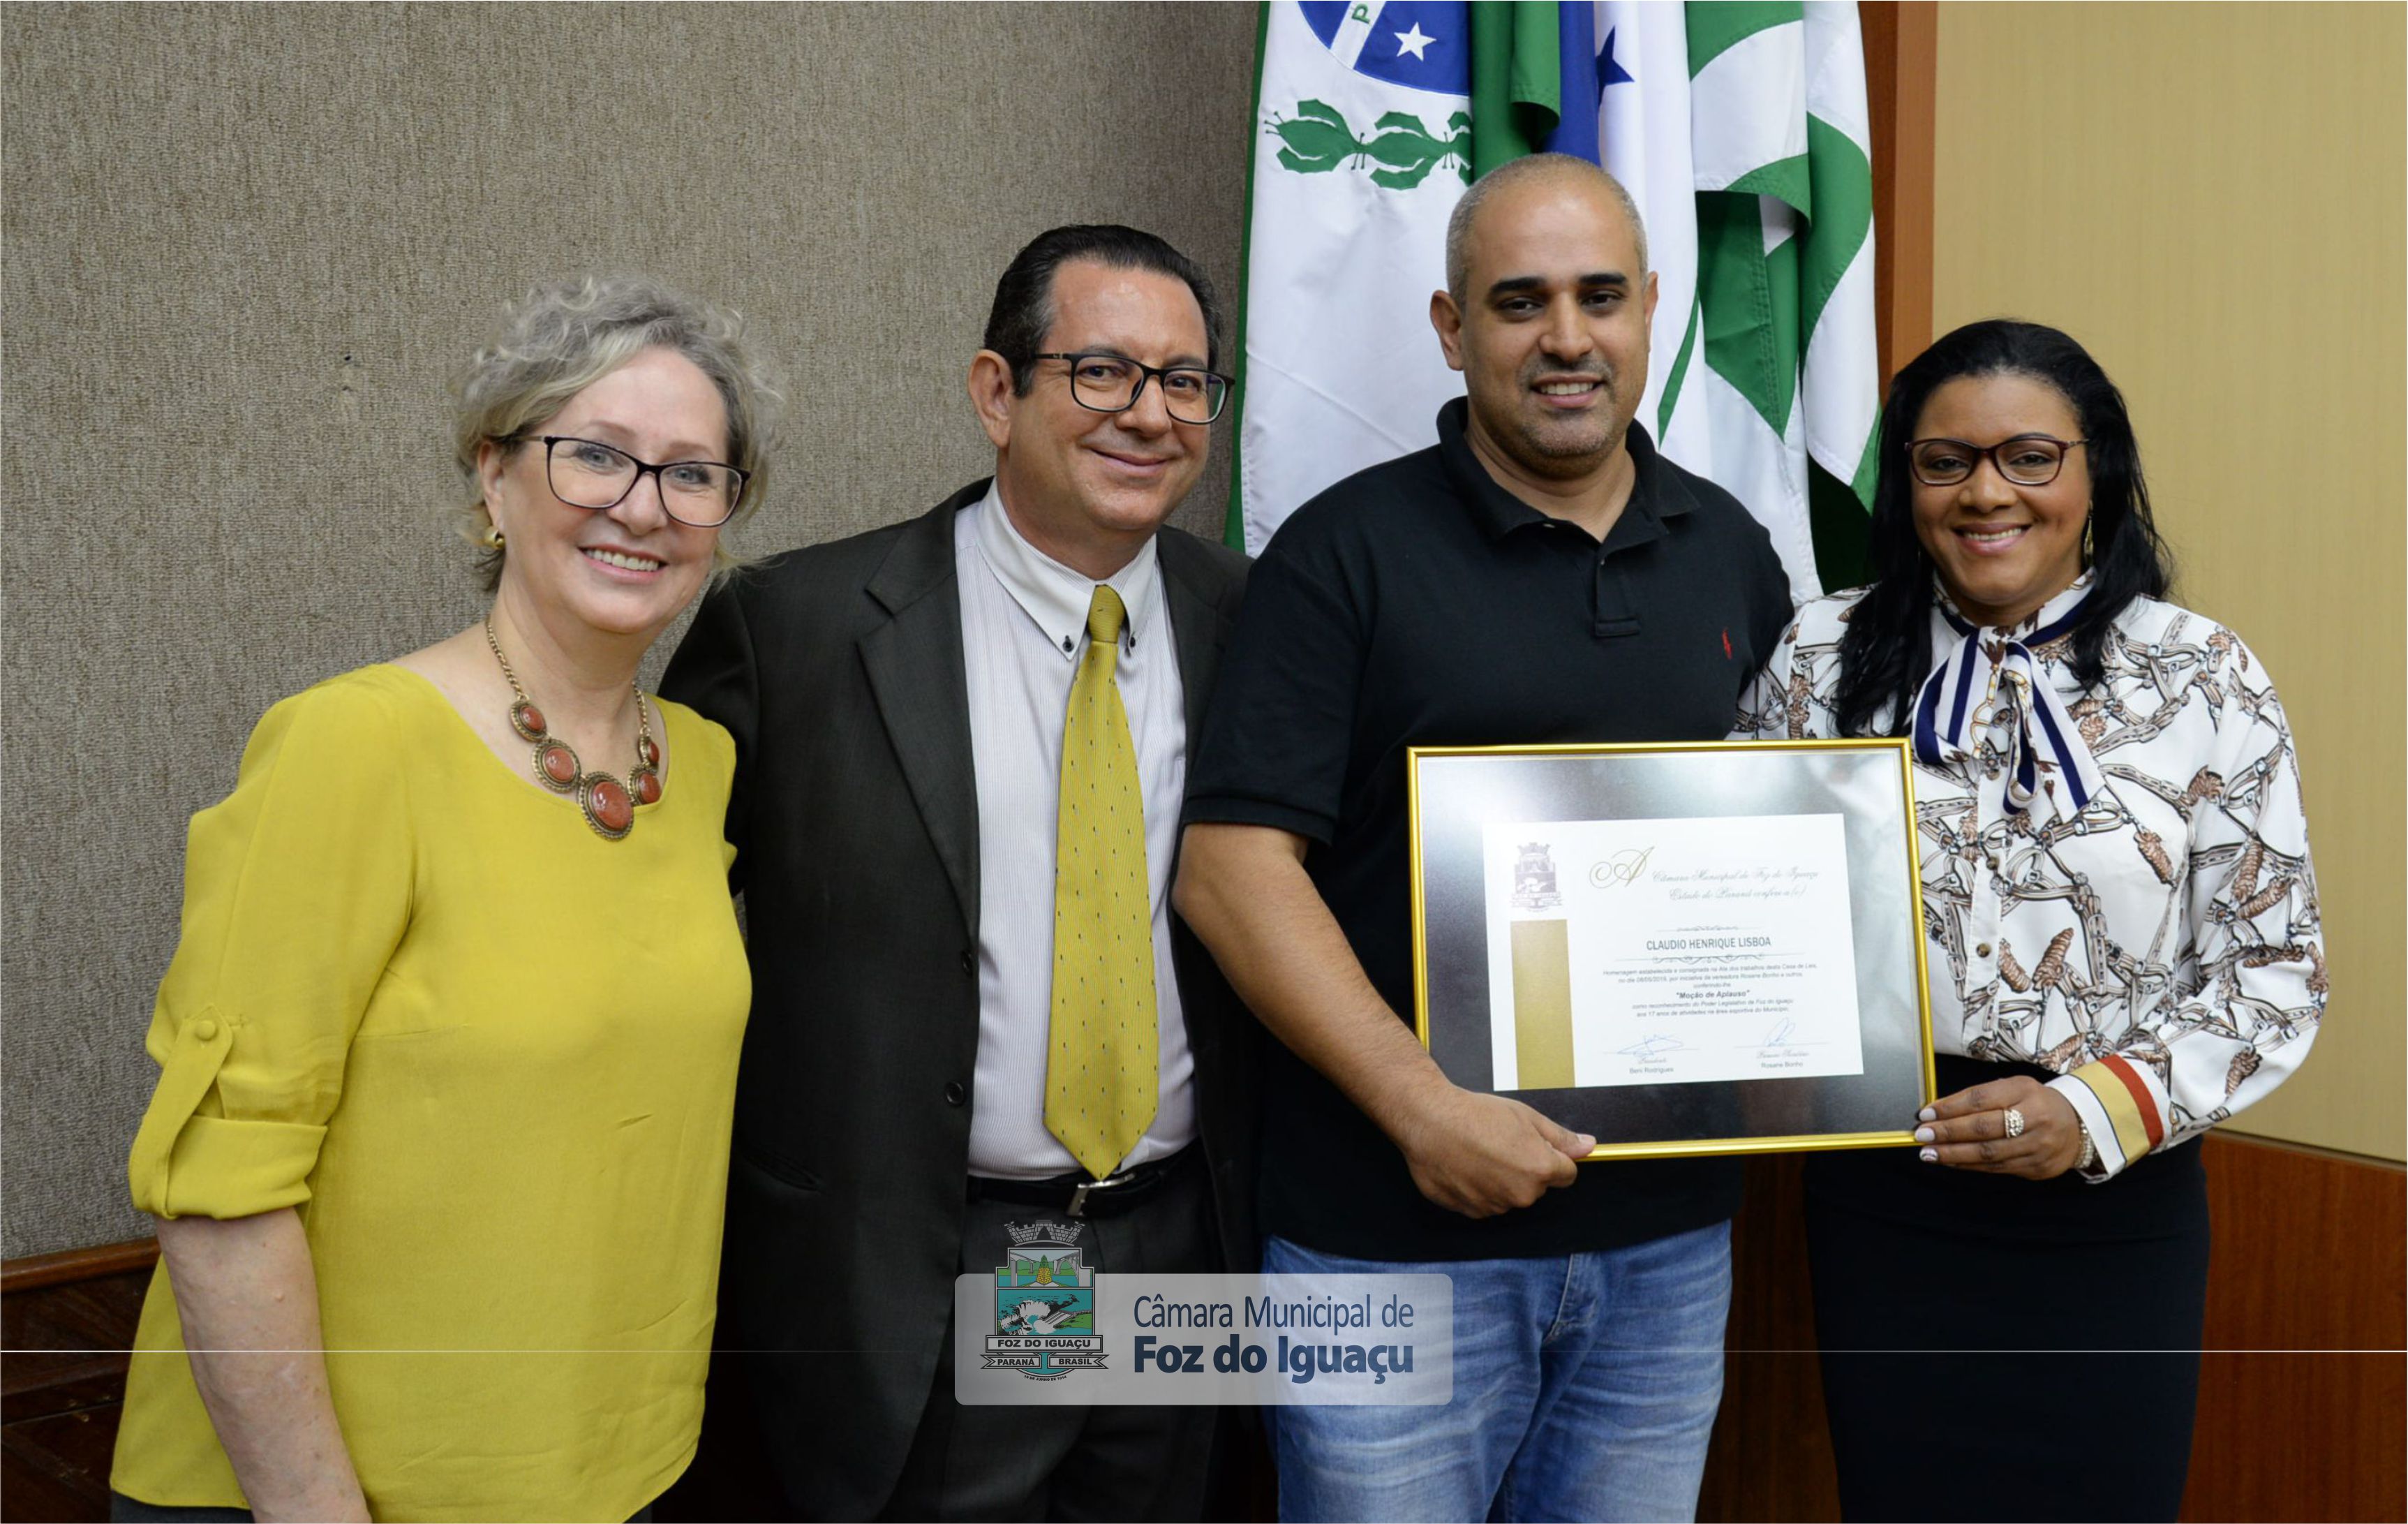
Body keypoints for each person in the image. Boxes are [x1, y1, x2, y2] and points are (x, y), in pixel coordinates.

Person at [1175, 154, 1792, 1523]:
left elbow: (1787, 851)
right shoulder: (1343, 556)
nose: (1565, 338)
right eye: (1519, 302)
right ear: (1454, 331)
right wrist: (1426, 1109)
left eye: (1599, 297)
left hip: (1669, 1253)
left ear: (1649, 312)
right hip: (1389, 1242)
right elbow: (1230, 872)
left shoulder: (1731, 551)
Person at [107, 274, 778, 1523]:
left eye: (694, 474)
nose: (644, 506)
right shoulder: (351, 747)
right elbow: (219, 1190)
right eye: (595, 457)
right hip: (328, 1492)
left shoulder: (702, 766)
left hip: (616, 1472)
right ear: (493, 477)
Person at [660, 224, 1254, 1521]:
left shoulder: (1257, 625)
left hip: (1175, 1246)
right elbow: (657, 943)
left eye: (1183, 382)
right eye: (1100, 372)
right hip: (922, 1259)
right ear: (997, 391)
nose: (1147, 415)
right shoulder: (795, 629)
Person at [1734, 318, 2324, 1522]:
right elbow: (1737, 909)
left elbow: (2274, 971)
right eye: (1944, 461)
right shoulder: (1814, 657)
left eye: (2028, 458)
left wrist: (2087, 1110)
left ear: (2094, 471)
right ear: (1905, 485)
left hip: (2113, 1202)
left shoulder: (2202, 676)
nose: (1985, 492)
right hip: (1887, 1195)